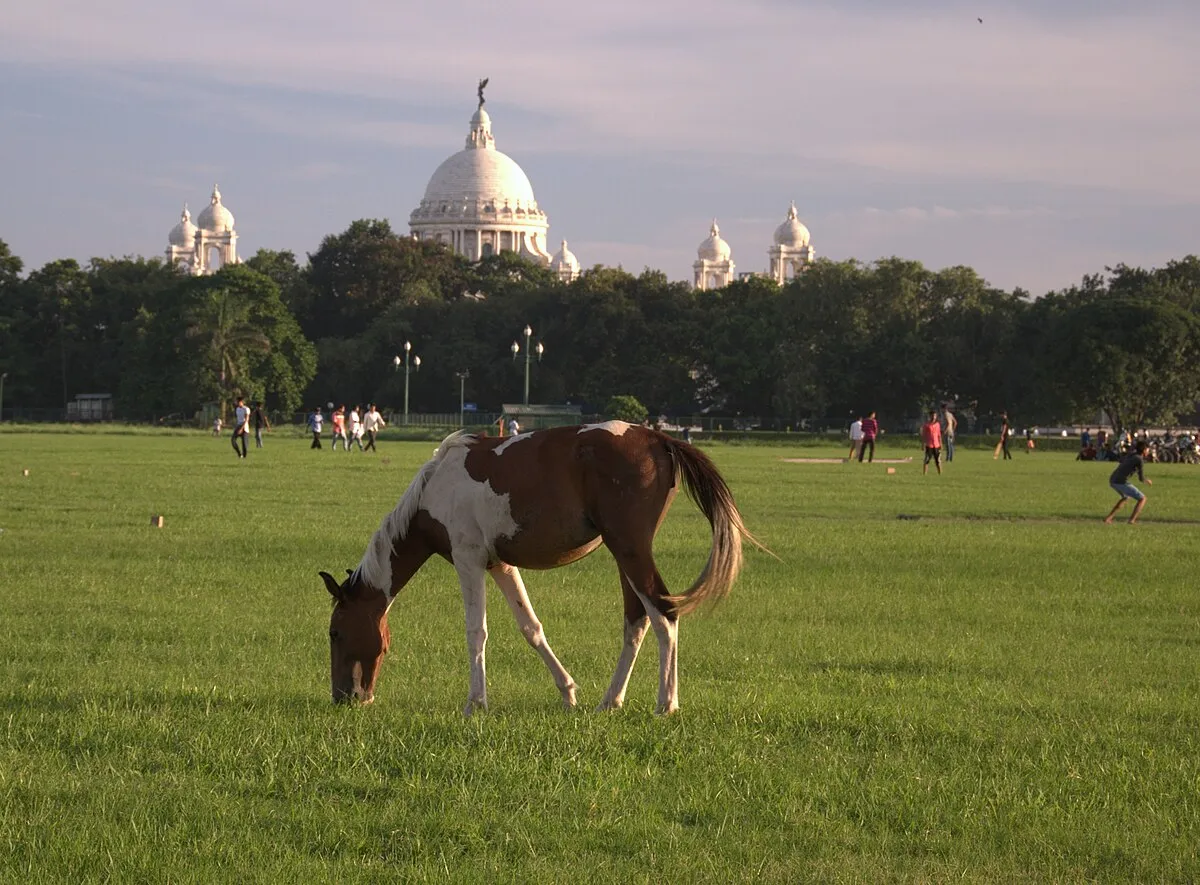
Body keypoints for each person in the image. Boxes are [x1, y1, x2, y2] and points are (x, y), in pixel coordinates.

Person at [1104, 440, 1152, 524]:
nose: (1149, 451)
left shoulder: (1132, 455)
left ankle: (1108, 519)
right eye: (1148, 449)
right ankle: (1132, 520)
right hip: (1120, 481)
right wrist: (1146, 480)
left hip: (1113, 479)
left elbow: (1121, 461)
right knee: (1142, 499)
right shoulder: (1139, 459)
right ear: (1144, 450)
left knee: (1126, 497)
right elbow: (1141, 478)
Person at [920, 409, 943, 475]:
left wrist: (941, 444)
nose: (933, 417)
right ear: (930, 416)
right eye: (932, 416)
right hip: (929, 445)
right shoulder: (926, 425)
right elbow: (924, 435)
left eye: (935, 416)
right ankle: (924, 473)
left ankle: (940, 473)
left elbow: (939, 435)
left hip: (936, 445)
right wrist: (923, 444)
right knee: (927, 460)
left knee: (938, 460)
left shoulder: (937, 424)